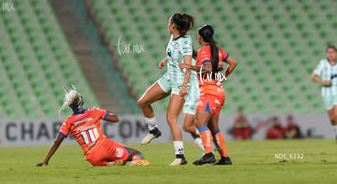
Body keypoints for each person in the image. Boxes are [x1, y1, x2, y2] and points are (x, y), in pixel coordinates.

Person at [36, 87, 149, 167]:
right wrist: (102, 110)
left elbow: (57, 141)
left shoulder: (68, 122)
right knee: (138, 154)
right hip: (106, 147)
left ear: (70, 106)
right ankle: (135, 162)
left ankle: (109, 164)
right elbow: (115, 119)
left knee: (109, 161)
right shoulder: (94, 112)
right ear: (81, 101)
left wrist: (46, 159)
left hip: (93, 158)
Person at [138, 13, 195, 165]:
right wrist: (165, 59)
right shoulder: (174, 37)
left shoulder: (185, 42)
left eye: (168, 22)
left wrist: (184, 86)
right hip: (168, 78)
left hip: (179, 84)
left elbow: (188, 67)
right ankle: (154, 130)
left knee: (171, 118)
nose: (167, 24)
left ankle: (180, 156)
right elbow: (174, 54)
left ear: (173, 26)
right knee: (143, 102)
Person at [179, 24, 238, 165]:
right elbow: (233, 63)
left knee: (199, 122)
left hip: (209, 92)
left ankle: (208, 154)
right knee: (213, 127)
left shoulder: (203, 51)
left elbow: (207, 67)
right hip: (218, 91)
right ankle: (225, 157)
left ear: (200, 37)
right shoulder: (218, 51)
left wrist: (189, 66)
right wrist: (223, 77)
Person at [311, 45, 337, 141]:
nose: (331, 54)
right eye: (329, 52)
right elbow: (313, 76)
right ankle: (335, 130)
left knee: (336, 112)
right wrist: (323, 82)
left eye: (333, 52)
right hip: (326, 91)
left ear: (336, 53)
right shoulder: (323, 63)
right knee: (332, 117)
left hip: (336, 89)